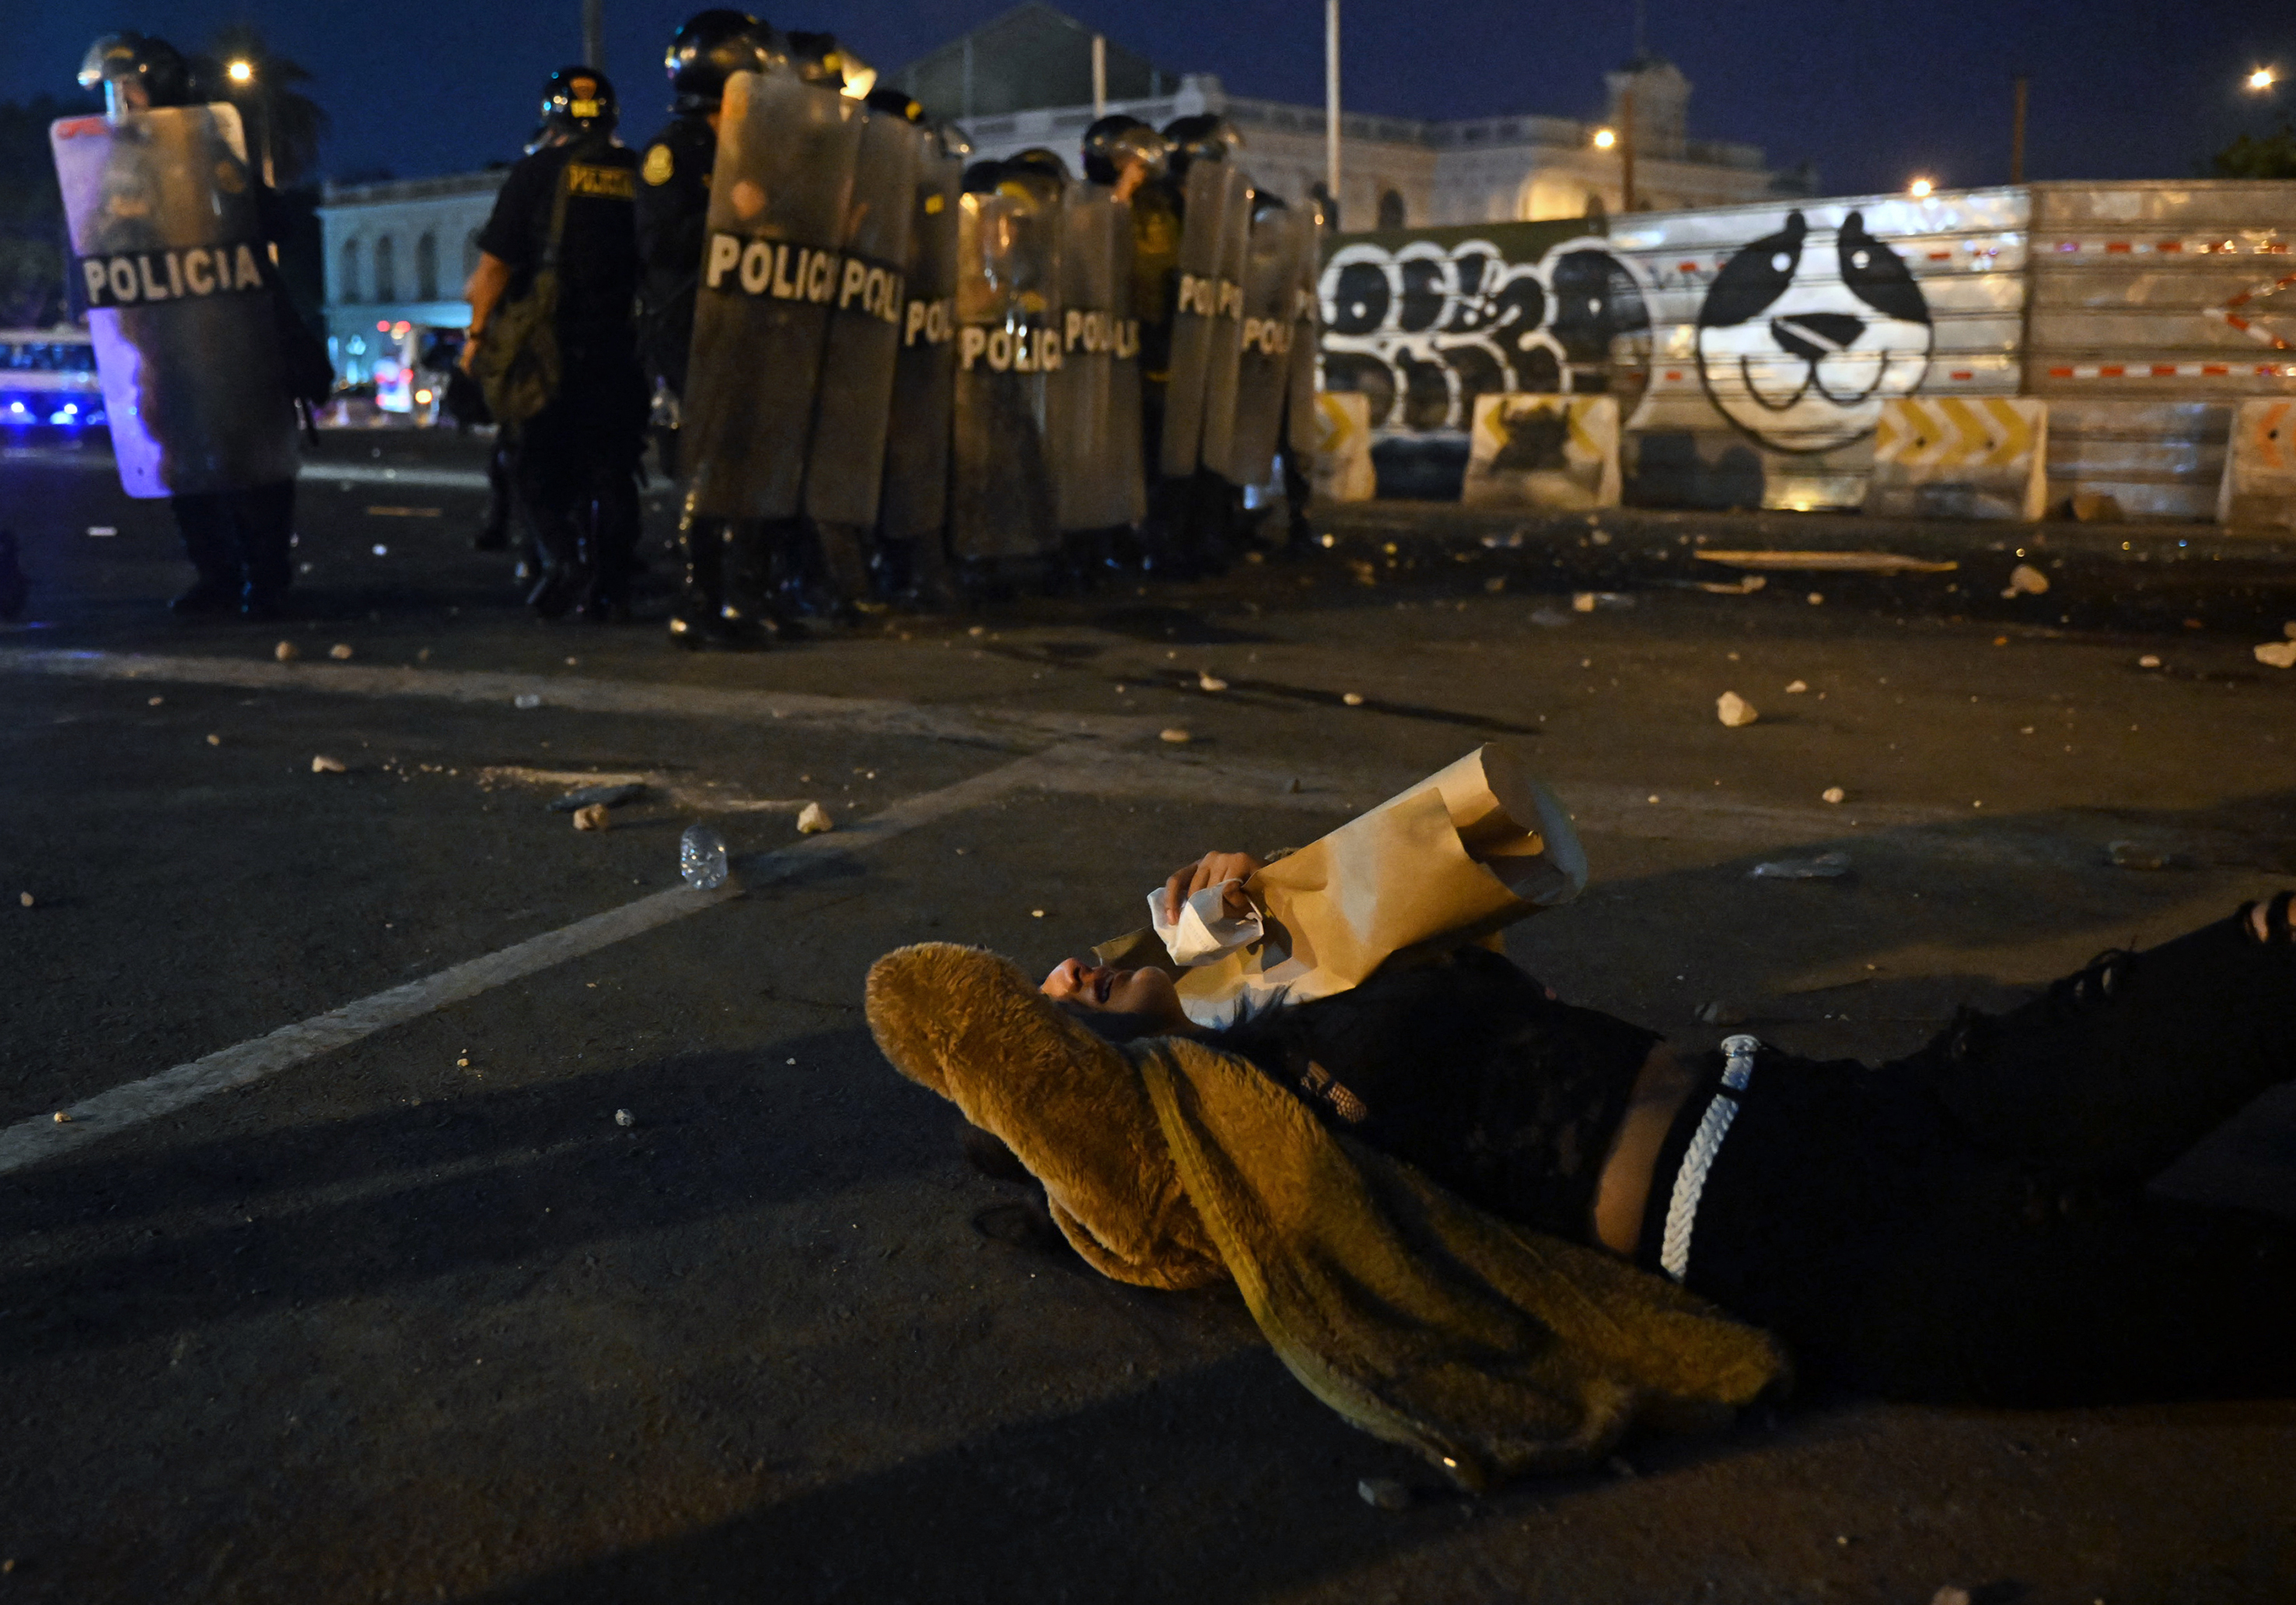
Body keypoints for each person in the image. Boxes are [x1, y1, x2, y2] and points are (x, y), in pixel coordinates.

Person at [1028, 851, 2296, 1404]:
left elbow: (1476, 909)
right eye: (1046, 1000)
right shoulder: (1242, 1135)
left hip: (1843, 1105)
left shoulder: (1282, 989)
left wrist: (1287, 902)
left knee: (2249, 963)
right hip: (1817, 1250)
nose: (1072, 969)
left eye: (1064, 963)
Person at [77, 33, 309, 621]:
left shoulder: (210, 153)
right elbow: (98, 245)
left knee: (250, 456)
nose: (119, 100)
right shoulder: (114, 168)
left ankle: (267, 576)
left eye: (126, 87)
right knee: (177, 456)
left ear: (156, 84)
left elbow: (274, 221)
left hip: (231, 331)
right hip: (161, 337)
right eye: (112, 90)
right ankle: (218, 574)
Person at [462, 66, 646, 621]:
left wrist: (475, 343)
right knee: (614, 470)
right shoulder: (639, 172)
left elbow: (493, 268)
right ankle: (610, 588)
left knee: (534, 466)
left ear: (552, 117)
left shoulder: (535, 173)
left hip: (551, 351)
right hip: (620, 344)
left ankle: (565, 560)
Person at [634, 10, 778, 648]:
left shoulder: (750, 150)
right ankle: (696, 601)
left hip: (751, 329)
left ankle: (743, 596)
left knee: (748, 465)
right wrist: (727, 214)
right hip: (693, 329)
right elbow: (660, 243)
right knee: (707, 467)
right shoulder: (676, 152)